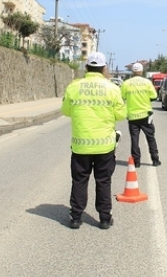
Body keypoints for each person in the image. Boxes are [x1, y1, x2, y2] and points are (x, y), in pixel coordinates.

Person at [61, 52, 126, 230]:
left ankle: (75, 217)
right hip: (105, 145)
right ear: (104, 68)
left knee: (79, 180)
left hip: (81, 145)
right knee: (103, 181)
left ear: (87, 68)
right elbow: (121, 114)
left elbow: (66, 111)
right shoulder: (112, 88)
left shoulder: (74, 87)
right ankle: (104, 219)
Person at [121, 63, 161, 168]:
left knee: (135, 139)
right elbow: (154, 96)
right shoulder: (147, 83)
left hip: (132, 116)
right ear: (141, 71)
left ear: (132, 71)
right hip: (146, 115)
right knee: (150, 137)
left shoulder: (126, 83)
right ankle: (155, 159)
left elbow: (122, 97)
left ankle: (136, 161)